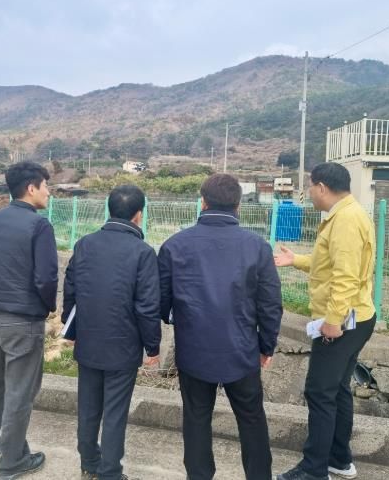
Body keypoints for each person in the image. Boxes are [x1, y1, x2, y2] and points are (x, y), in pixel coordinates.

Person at [158, 173, 283, 480]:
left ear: (203, 202)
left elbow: (161, 302)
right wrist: (266, 346)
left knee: (196, 419)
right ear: (238, 205)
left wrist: (179, 318)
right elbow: (270, 304)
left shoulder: (174, 246)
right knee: (252, 419)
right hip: (242, 350)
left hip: (194, 351)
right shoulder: (257, 247)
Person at [275, 162, 377, 480]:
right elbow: (328, 264)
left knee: (319, 392)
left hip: (342, 321)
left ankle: (314, 469)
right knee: (337, 389)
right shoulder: (348, 214)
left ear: (321, 187)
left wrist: (332, 321)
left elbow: (345, 277)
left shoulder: (344, 220)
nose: (308, 192)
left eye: (309, 186)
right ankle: (338, 459)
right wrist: (295, 260)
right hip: (358, 317)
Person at [63, 184, 161, 480]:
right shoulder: (143, 252)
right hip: (123, 346)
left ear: (110, 209)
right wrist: (152, 347)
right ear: (138, 215)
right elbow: (147, 306)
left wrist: (71, 329)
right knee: (115, 413)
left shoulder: (85, 244)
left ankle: (88, 464)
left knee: (88, 408)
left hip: (88, 340)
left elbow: (71, 289)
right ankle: (110, 473)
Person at [0, 161, 58, 480]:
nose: (49, 193)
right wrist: (48, 308)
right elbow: (46, 278)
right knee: (20, 392)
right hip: (22, 320)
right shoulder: (39, 226)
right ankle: (12, 461)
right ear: (31, 188)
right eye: (46, 186)